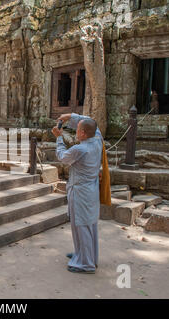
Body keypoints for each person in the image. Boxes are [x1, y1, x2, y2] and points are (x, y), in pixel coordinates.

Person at [52, 113, 103, 274]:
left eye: (77, 130)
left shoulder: (80, 149)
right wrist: (71, 116)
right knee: (88, 225)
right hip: (91, 189)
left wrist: (59, 138)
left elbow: (62, 157)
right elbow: (92, 123)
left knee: (81, 225)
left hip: (80, 191)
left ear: (82, 133)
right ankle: (85, 255)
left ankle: (86, 264)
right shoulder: (97, 139)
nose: (75, 132)